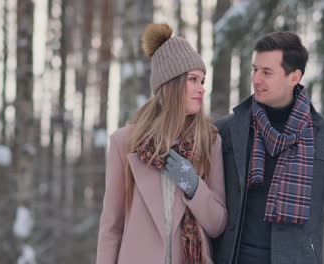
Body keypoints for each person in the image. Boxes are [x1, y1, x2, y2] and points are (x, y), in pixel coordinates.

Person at [213, 31, 324, 264]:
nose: (256, 79)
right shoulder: (227, 131)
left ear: (293, 77)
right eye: (254, 69)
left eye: (267, 72)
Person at [96, 23, 227, 264]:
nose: (202, 89)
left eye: (202, 80)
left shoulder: (209, 141)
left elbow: (218, 224)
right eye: (193, 80)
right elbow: (111, 227)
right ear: (172, 84)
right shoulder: (125, 143)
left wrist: (192, 184)